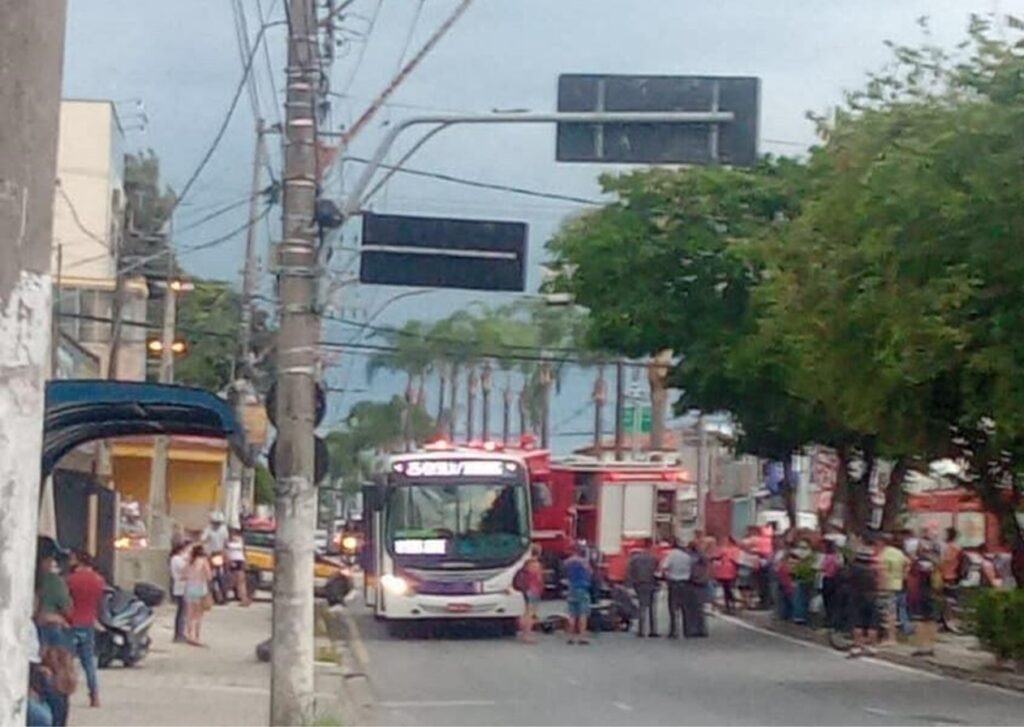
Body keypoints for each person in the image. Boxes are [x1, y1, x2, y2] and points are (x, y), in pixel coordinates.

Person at [66, 551, 105, 708]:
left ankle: (64, 692)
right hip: (88, 622)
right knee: (88, 662)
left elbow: (67, 601)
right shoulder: (98, 580)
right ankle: (94, 695)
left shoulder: (70, 580)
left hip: (71, 623)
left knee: (67, 661)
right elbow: (100, 604)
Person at [847, 542, 880, 658]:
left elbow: (847, 580)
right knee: (872, 622)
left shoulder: (854, 568)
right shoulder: (873, 569)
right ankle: (872, 647)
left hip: (857, 596)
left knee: (858, 622)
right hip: (872, 595)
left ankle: (857, 646)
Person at [878, 534, 910, 645]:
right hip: (898, 583)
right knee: (892, 610)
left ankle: (890, 638)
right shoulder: (898, 553)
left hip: (886, 585)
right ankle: (890, 637)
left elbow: (882, 571)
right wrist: (904, 574)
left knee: (888, 612)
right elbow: (908, 562)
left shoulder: (884, 554)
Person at [35, 554, 71, 649]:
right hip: (52, 621)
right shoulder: (56, 581)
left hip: (37, 621)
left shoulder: (37, 578)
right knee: (56, 655)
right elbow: (65, 604)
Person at [626, 541, 660, 637]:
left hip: (639, 584)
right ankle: (653, 630)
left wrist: (630, 584)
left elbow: (629, 572)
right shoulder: (654, 559)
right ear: (650, 547)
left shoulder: (635, 559)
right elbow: (657, 573)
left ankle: (641, 630)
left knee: (642, 607)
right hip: (651, 584)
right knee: (652, 608)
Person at [661, 539, 692, 639]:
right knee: (685, 608)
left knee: (673, 608)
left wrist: (666, 576)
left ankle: (674, 631)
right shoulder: (687, 557)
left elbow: (664, 567)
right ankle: (687, 630)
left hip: (674, 582)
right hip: (686, 583)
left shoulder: (671, 555)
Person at [563, 543, 593, 645]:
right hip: (582, 589)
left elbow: (565, 575)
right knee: (582, 614)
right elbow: (590, 573)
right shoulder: (584, 562)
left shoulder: (567, 562)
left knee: (572, 614)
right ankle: (582, 637)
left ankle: (570, 637)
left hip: (571, 589)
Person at [184, 544, 212, 646]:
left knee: (189, 614)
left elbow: (184, 575)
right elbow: (209, 576)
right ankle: (196, 637)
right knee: (198, 615)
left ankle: (188, 634)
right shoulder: (203, 561)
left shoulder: (189, 561)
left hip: (189, 588)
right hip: (200, 588)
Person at [516, 546, 545, 643]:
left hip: (525, 589)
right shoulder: (536, 564)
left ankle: (523, 633)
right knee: (531, 614)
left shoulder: (526, 563)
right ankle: (527, 635)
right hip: (534, 589)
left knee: (524, 612)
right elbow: (539, 579)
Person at [940, 527, 963, 630]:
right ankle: (947, 620)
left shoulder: (952, 547)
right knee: (948, 599)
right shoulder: (956, 547)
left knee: (949, 599)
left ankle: (950, 621)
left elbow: (947, 559)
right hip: (951, 574)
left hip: (949, 575)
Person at [712, 536, 740, 614]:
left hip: (731, 571)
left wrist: (728, 557)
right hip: (723, 571)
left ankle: (732, 605)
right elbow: (717, 557)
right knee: (725, 589)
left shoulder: (735, 549)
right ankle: (728, 605)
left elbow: (736, 560)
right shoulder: (723, 549)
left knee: (729, 589)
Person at [169, 541, 191, 642]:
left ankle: (181, 633)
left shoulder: (180, 559)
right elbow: (183, 571)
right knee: (182, 612)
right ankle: (179, 634)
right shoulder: (177, 559)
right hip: (181, 587)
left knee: (184, 612)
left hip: (184, 587)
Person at [820, 539, 843, 628]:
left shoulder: (827, 557)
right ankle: (832, 620)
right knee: (833, 601)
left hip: (828, 579)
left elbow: (822, 567)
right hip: (835, 579)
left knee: (828, 601)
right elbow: (840, 566)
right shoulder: (837, 557)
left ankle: (829, 619)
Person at [226, 528, 251, 606]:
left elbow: (244, 551)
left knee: (241, 581)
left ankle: (244, 599)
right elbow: (226, 552)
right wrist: (229, 561)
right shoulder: (227, 541)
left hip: (239, 561)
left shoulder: (241, 541)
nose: (235, 535)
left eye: (236, 533)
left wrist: (246, 562)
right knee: (231, 581)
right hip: (232, 561)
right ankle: (225, 596)